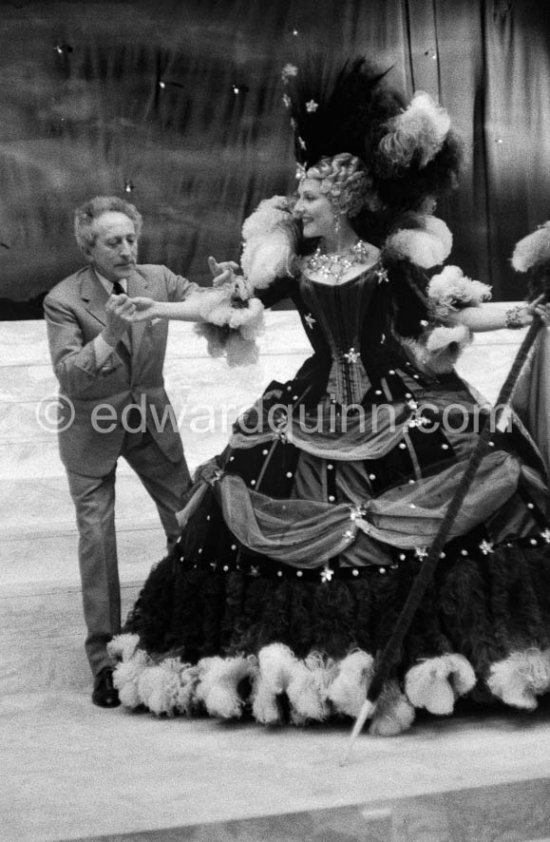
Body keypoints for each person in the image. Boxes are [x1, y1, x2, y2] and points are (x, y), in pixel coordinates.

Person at [110, 61, 550, 735]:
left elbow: (440, 317)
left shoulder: (388, 265)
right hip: (313, 401)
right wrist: (156, 309)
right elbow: (233, 304)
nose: (298, 207)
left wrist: (523, 316)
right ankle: (316, 665)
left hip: (401, 396)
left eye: (309, 198)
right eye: (300, 197)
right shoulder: (297, 267)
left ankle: (421, 657)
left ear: (340, 202)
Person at [43, 195, 237, 707]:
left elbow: (205, 303)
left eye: (131, 238)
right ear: (90, 248)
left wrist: (227, 287)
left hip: (151, 421)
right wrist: (111, 332)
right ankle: (104, 662)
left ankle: (197, 632)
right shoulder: (64, 299)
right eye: (114, 242)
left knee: (190, 518)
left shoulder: (157, 278)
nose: (128, 249)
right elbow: (69, 374)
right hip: (89, 430)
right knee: (97, 541)